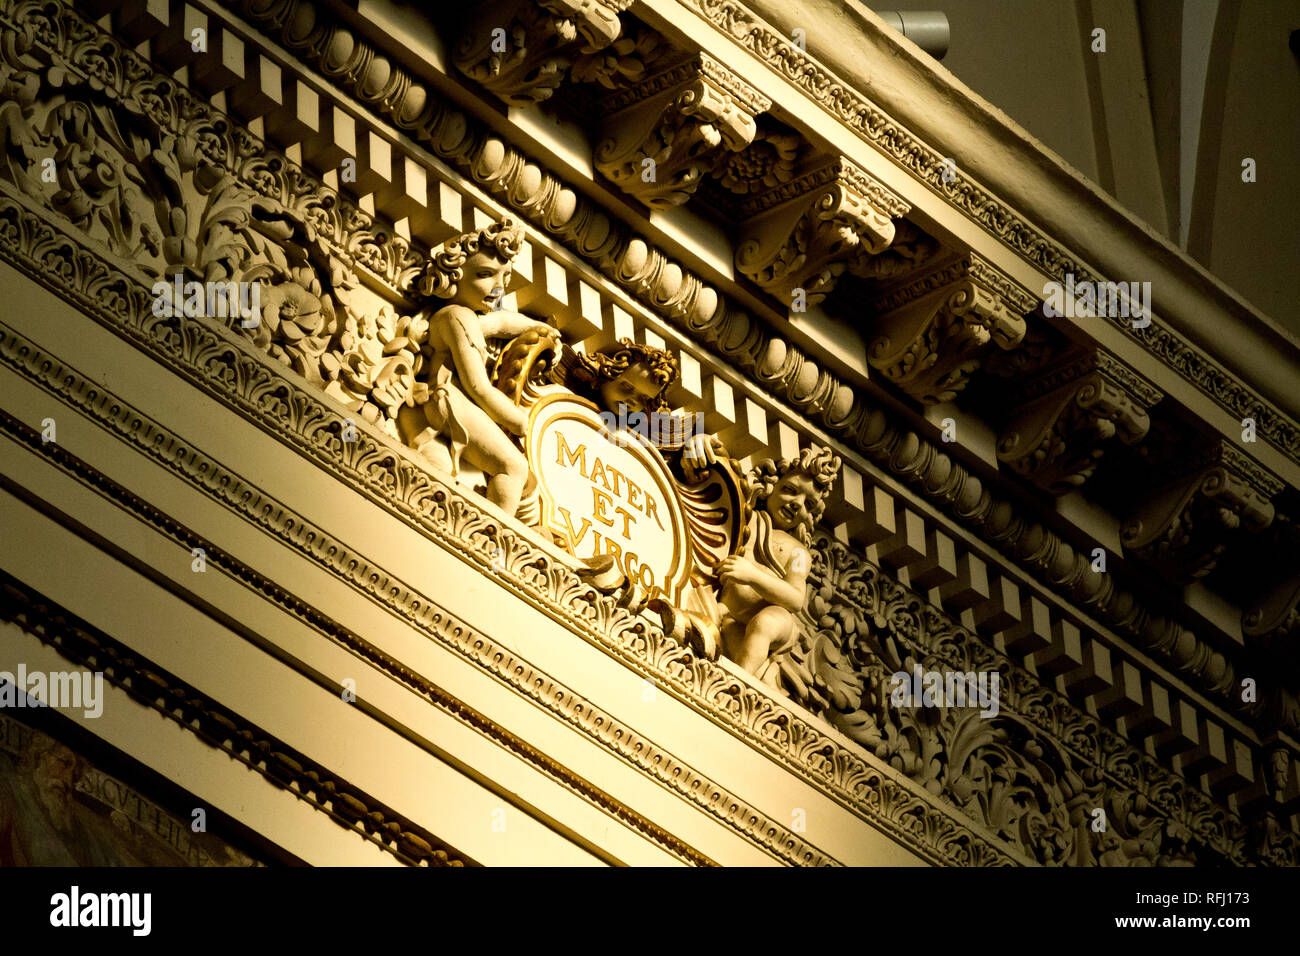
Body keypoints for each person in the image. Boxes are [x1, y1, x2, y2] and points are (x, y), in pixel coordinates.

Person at [398, 217, 558, 517]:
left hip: (447, 399)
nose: (498, 288)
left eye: (505, 277)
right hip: (448, 400)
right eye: (485, 274)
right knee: (513, 467)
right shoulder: (458, 317)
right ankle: (496, 533)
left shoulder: (461, 316)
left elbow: (500, 322)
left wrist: (543, 330)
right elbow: (478, 387)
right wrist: (518, 421)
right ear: (454, 277)